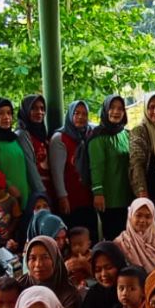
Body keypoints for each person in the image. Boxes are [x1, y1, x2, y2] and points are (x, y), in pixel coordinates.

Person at [0, 97, 36, 208]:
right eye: (0, 113)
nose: (6, 117)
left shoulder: (13, 139)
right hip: (2, 201)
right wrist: (8, 186)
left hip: (23, 196)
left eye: (9, 113)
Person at [50, 100, 98, 238]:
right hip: (70, 197)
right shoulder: (60, 138)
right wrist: (62, 196)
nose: (80, 117)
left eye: (84, 114)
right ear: (70, 114)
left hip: (88, 196)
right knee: (73, 234)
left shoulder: (90, 133)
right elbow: (56, 172)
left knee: (90, 235)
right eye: (76, 113)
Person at [89, 94, 132, 240]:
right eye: (112, 108)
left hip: (127, 197)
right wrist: (98, 192)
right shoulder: (98, 136)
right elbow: (96, 167)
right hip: (109, 200)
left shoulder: (126, 134)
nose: (116, 111)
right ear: (105, 110)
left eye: (120, 108)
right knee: (114, 240)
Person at [129, 92, 155, 226]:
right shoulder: (139, 130)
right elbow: (136, 163)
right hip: (150, 188)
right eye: (151, 107)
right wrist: (142, 191)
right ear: (145, 109)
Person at [20, 236, 82, 308]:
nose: (38, 264)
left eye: (45, 257)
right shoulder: (20, 285)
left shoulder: (69, 295)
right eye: (32, 258)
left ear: (55, 259)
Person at [80, 241, 125, 308]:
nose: (104, 274)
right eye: (98, 270)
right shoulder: (93, 296)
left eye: (108, 268)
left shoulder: (130, 289)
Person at [116, 197, 155, 272]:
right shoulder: (121, 242)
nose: (142, 220)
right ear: (130, 216)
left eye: (148, 217)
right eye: (138, 215)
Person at [15, 95, 55, 200]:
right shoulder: (22, 134)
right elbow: (29, 165)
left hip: (49, 187)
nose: (39, 112)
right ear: (26, 110)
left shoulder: (42, 133)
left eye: (42, 108)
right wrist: (41, 192)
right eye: (34, 108)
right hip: (36, 190)